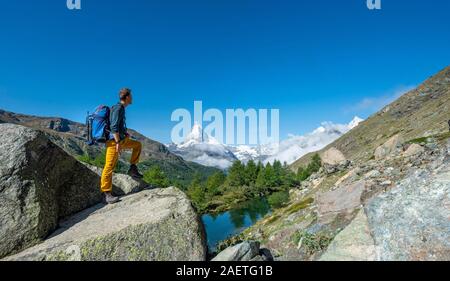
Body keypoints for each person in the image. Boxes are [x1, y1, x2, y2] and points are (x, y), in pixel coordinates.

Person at [101, 88, 144, 204]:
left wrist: (125, 133)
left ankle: (132, 169)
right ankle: (106, 194)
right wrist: (118, 143)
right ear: (127, 97)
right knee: (109, 166)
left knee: (137, 145)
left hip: (121, 139)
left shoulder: (121, 109)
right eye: (131, 96)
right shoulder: (118, 108)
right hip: (114, 142)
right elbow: (114, 126)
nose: (132, 98)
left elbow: (118, 126)